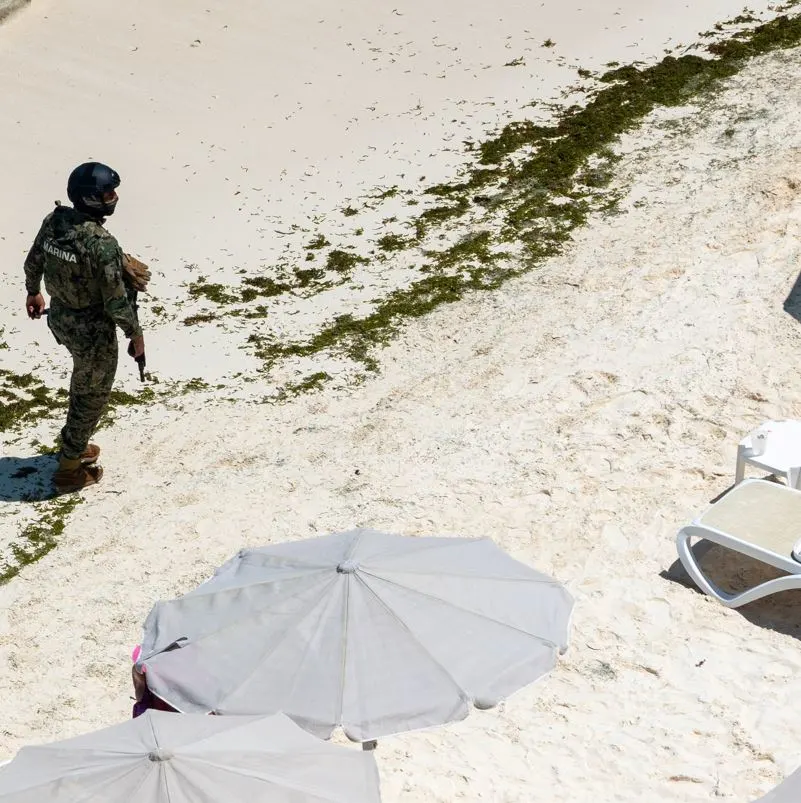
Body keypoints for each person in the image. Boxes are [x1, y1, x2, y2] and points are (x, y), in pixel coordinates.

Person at [23, 162, 145, 493]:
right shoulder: (102, 244)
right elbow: (115, 302)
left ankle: (76, 443)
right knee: (89, 397)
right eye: (107, 193)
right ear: (91, 199)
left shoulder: (56, 220)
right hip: (92, 333)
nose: (114, 197)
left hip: (61, 318)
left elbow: (34, 260)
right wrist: (135, 333)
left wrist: (33, 291)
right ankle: (69, 469)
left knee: (83, 385)